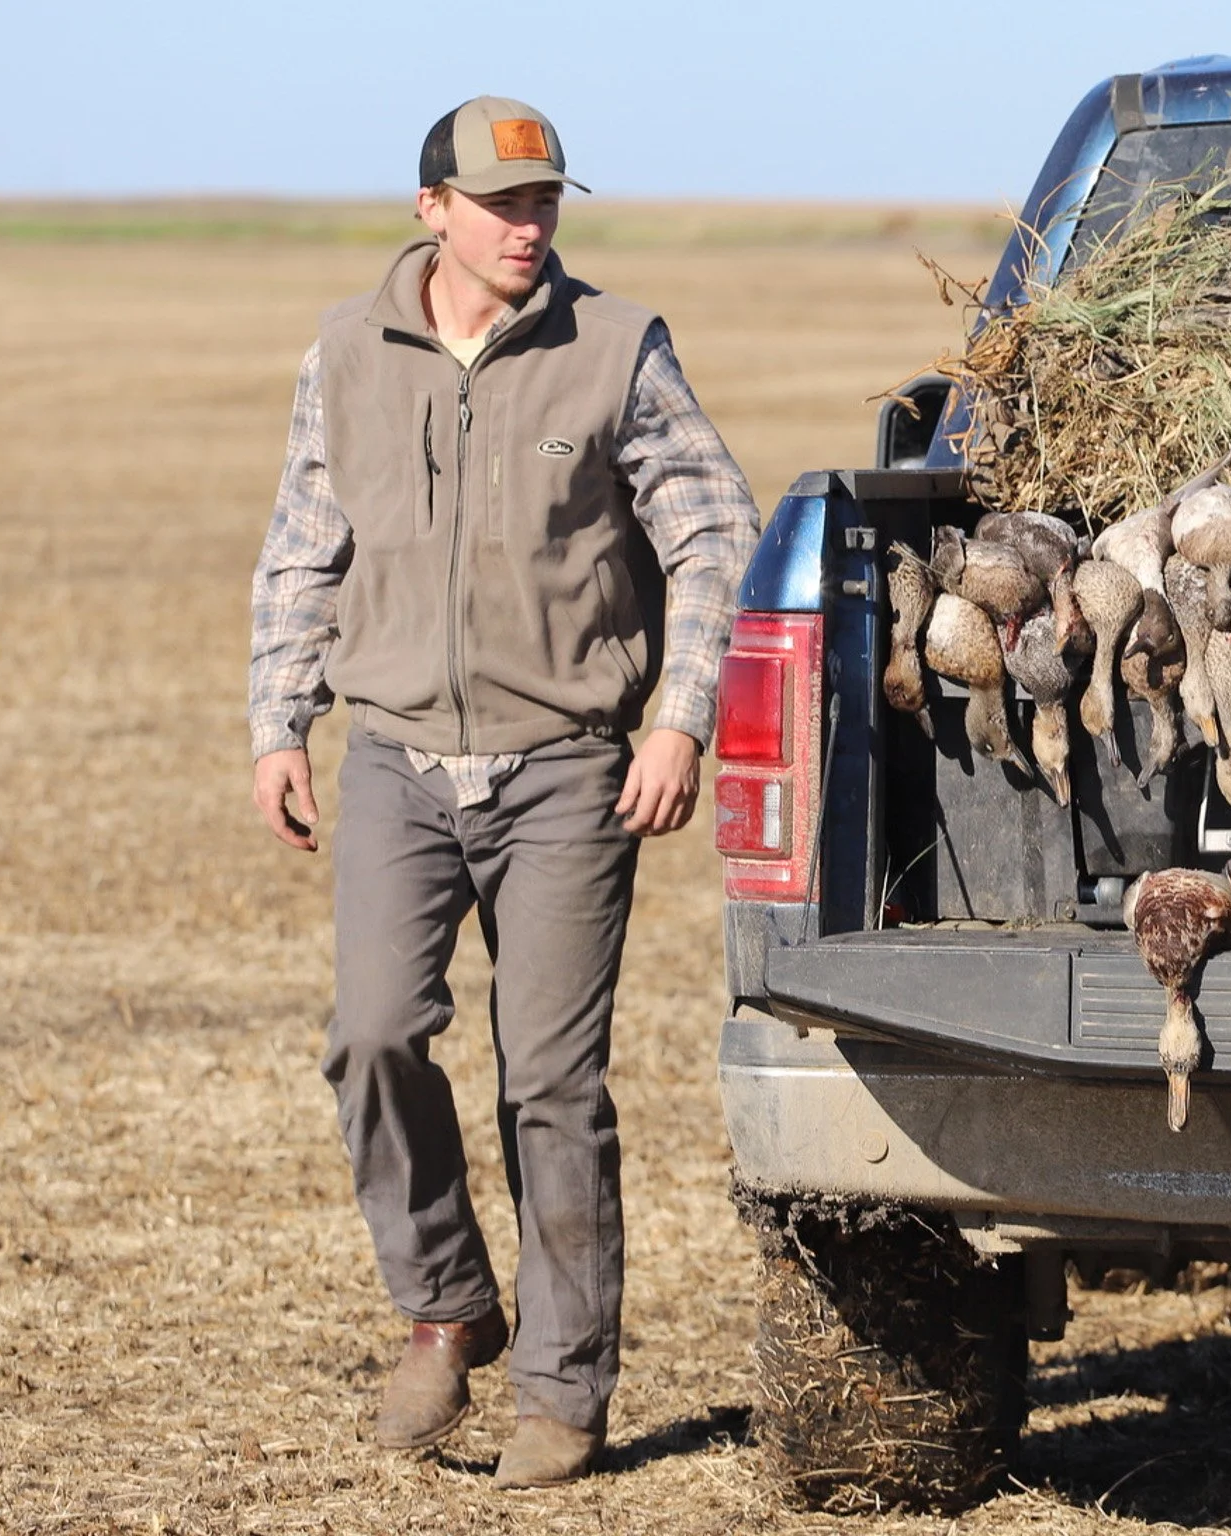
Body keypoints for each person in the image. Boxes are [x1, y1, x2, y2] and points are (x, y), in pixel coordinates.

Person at [246, 95, 759, 1487]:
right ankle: (446, 1308)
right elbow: (304, 545)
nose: (528, 228)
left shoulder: (616, 349)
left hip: (569, 767)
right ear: (432, 209)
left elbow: (716, 535)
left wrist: (680, 721)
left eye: (544, 203)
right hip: (395, 756)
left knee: (551, 1081)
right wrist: (279, 724)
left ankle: (563, 1390)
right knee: (371, 1038)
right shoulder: (347, 354)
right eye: (500, 203)